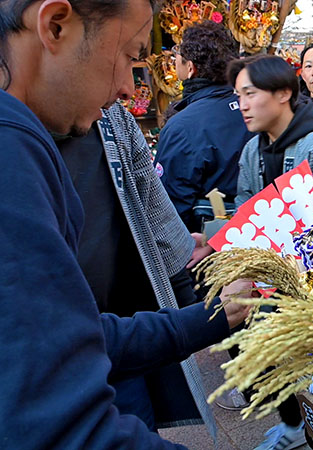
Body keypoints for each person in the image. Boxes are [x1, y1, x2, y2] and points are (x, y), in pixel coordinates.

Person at [0, 0, 250, 447]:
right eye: (132, 57)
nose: (126, 89)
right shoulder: (11, 147)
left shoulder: (34, 131)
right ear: (56, 26)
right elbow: (65, 427)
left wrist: (208, 316)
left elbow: (71, 333)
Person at [56, 101, 226, 432]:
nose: (128, 88)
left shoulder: (114, 118)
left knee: (135, 422)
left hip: (122, 330)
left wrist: (187, 282)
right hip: (52, 353)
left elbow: (159, 217)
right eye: (125, 57)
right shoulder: (18, 141)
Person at [155, 20, 253, 233]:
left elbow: (167, 209)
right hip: (259, 232)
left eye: (177, 59)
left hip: (205, 246)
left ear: (190, 68)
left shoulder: (182, 127)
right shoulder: (257, 108)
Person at [232, 55, 313, 208]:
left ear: (284, 93)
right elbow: (244, 212)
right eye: (239, 96)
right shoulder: (252, 150)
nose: (242, 106)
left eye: (250, 94)